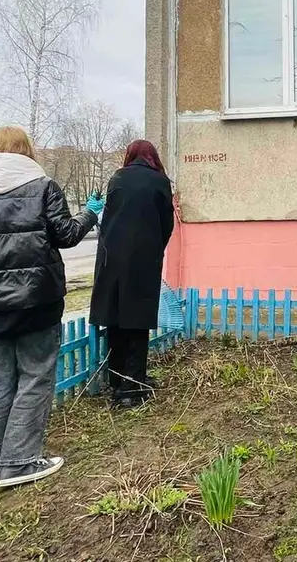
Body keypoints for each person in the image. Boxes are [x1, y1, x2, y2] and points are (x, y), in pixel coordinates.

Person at [0, 126, 101, 488]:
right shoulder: (44, 187)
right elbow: (66, 235)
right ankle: (18, 462)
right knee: (35, 376)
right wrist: (90, 214)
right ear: (26, 150)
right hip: (36, 300)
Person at [89, 140, 175, 409]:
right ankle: (133, 387)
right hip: (143, 260)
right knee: (138, 321)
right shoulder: (159, 181)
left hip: (112, 260)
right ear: (153, 157)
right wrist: (154, 248)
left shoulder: (117, 178)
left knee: (115, 319)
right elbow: (166, 224)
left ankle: (116, 381)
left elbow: (109, 219)